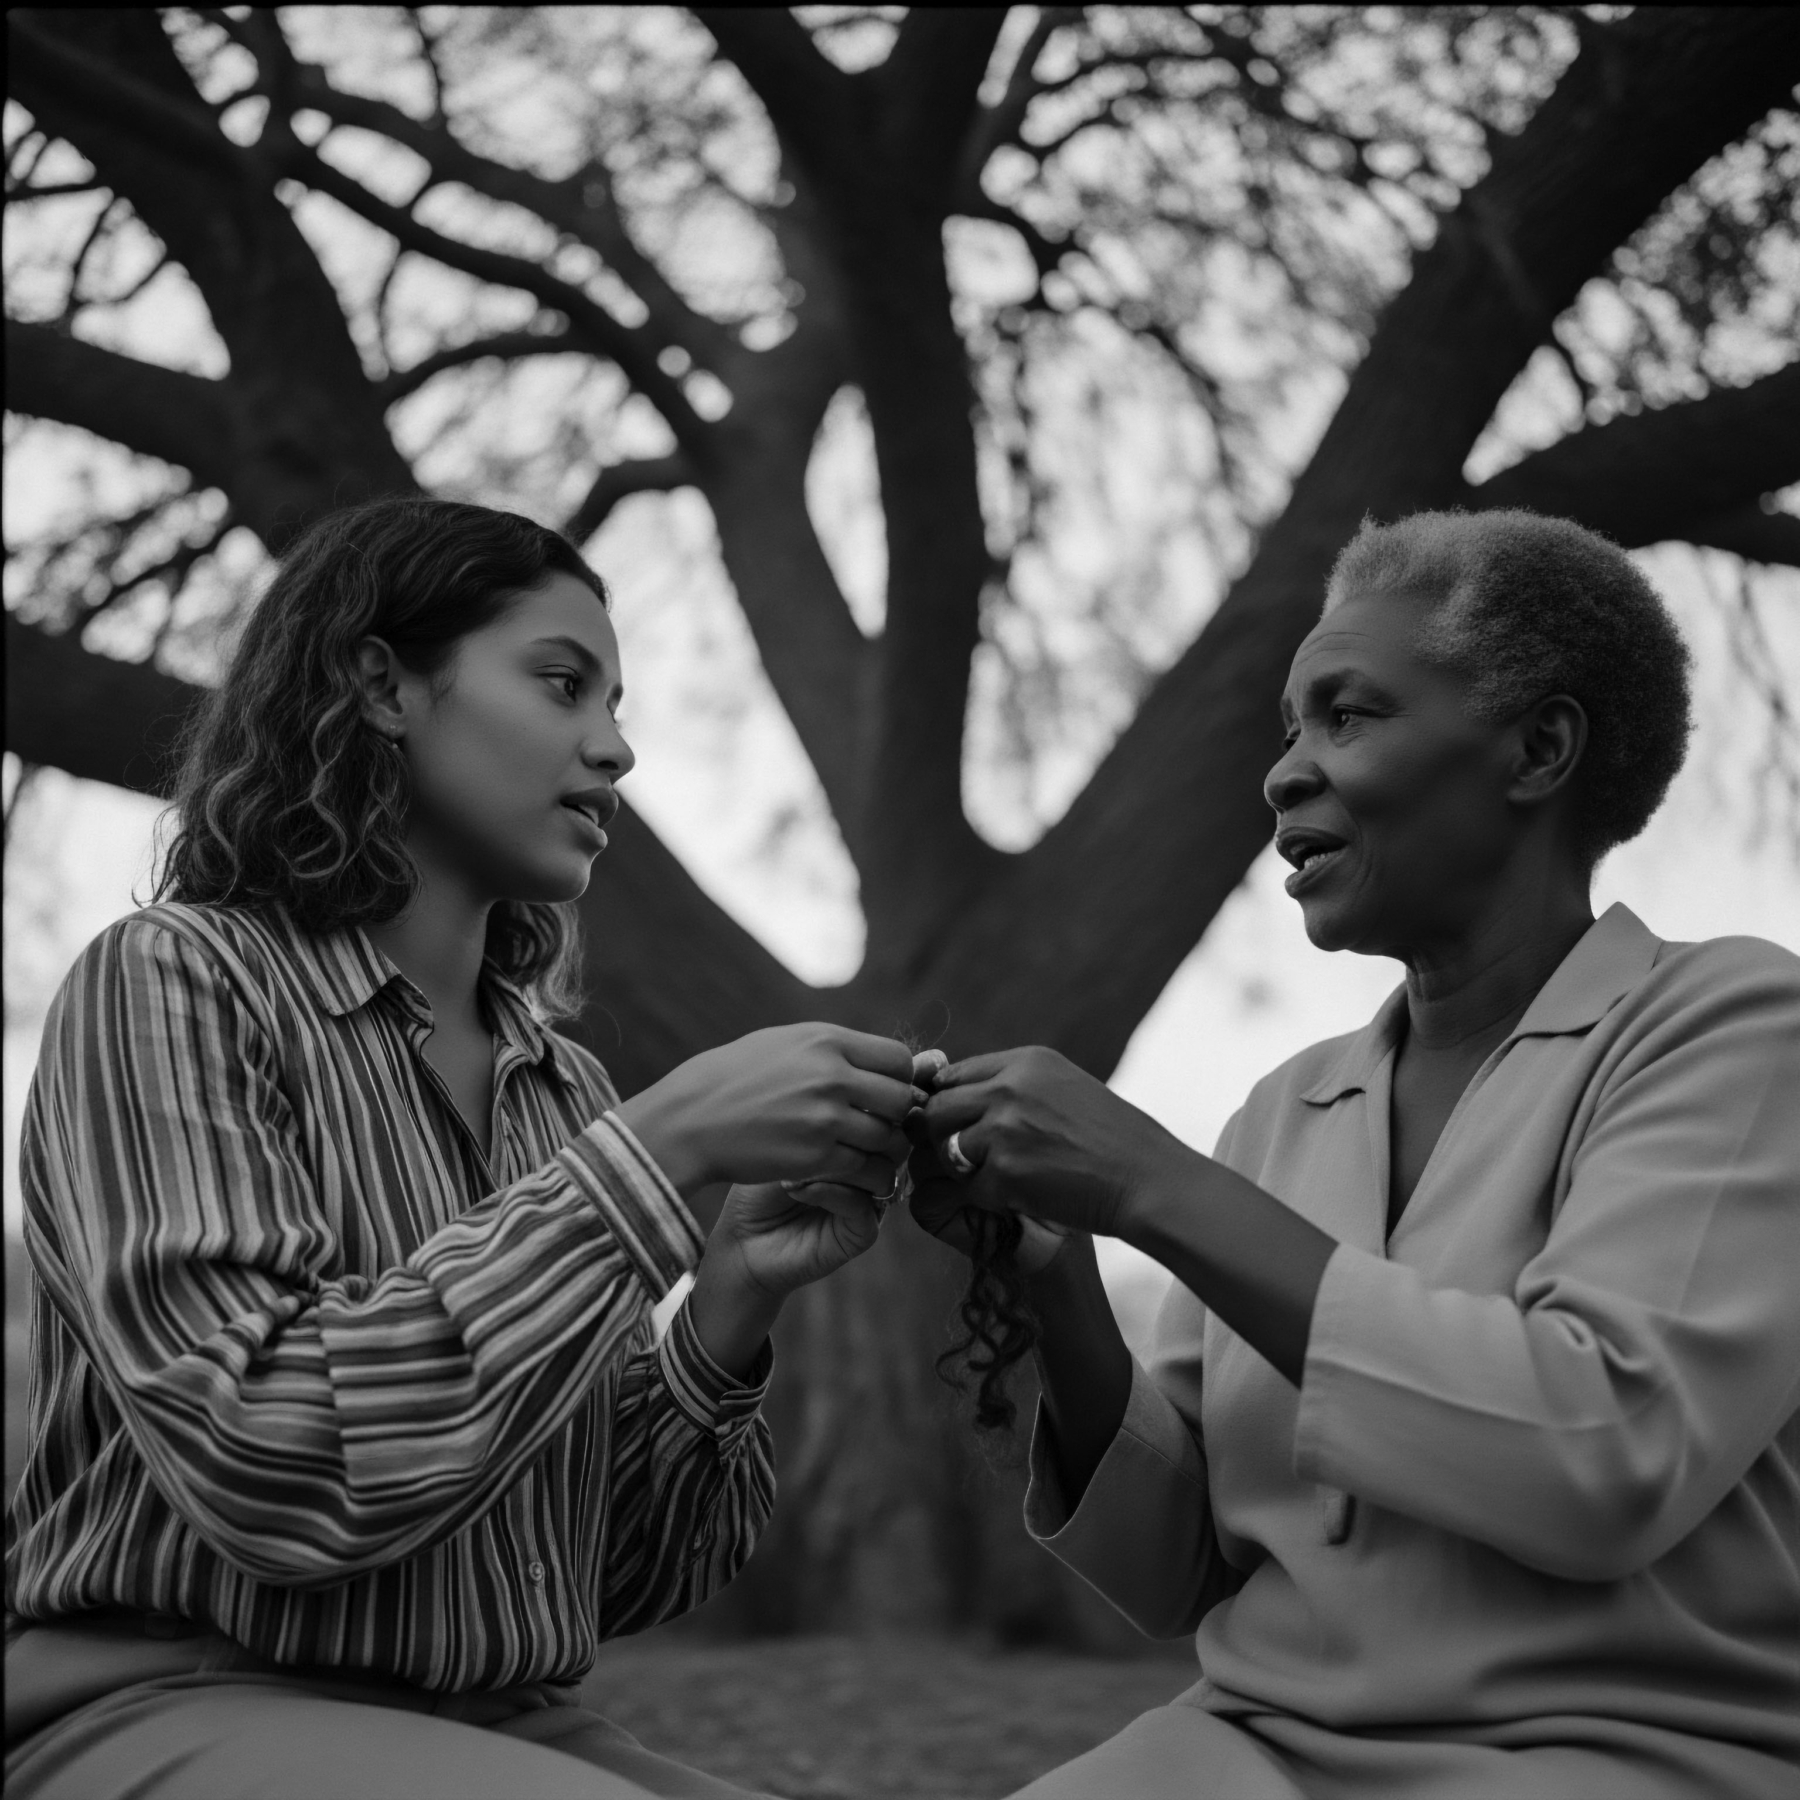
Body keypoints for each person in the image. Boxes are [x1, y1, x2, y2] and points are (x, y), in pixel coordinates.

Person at [4, 497, 926, 1800]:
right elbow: (270, 1457)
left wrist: (730, 1300)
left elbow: (596, 1576)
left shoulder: (566, 1089)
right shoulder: (171, 983)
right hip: (162, 1696)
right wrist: (651, 1158)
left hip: (499, 1724)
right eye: (562, 685)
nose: (614, 750)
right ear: (382, 684)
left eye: (617, 704)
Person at [911, 510, 1800, 1799]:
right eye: (1289, 726)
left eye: (1348, 716)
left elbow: (1602, 1455)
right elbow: (1178, 1570)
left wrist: (1155, 1185)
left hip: (1616, 1754)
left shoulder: (1731, 1031)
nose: (1284, 772)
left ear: (1539, 749)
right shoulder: (1286, 1113)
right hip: (1252, 1748)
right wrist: (1055, 1262)